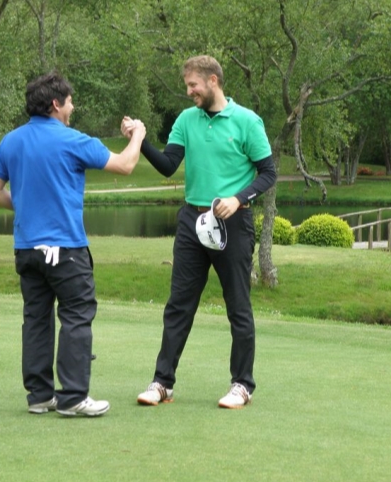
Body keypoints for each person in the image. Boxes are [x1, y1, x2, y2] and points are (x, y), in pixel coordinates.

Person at [0, 72, 146, 417]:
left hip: (27, 249)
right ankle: (73, 397)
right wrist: (139, 135)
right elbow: (126, 164)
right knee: (76, 316)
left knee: (36, 319)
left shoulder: (10, 141)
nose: (73, 106)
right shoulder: (73, 140)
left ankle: (40, 396)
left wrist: (27, 203)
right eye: (70, 101)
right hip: (66, 250)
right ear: (56, 104)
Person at [122, 55, 276, 409]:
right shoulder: (187, 120)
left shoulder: (247, 121)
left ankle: (242, 385)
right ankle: (162, 383)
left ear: (213, 81)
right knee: (179, 305)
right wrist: (140, 138)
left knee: (238, 305)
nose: (189, 91)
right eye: (187, 86)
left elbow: (268, 173)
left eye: (193, 85)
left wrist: (238, 199)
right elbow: (167, 165)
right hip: (193, 222)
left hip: (233, 223)